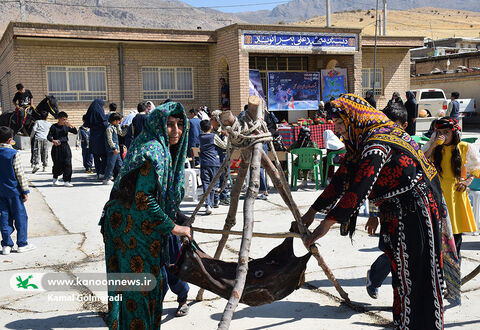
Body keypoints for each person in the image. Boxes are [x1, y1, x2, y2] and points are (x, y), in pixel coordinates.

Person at [301, 94, 445, 329]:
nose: (338, 131)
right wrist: (313, 210)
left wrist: (326, 223)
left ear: (354, 120)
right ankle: (404, 323)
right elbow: (341, 179)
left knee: (418, 275)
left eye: (340, 124)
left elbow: (359, 186)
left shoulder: (378, 142)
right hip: (397, 211)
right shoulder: (362, 141)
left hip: (416, 213)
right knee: (402, 274)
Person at [100, 101, 191, 329]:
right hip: (130, 227)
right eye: (170, 124)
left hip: (136, 223)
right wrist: (174, 228)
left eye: (180, 124)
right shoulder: (153, 152)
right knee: (140, 290)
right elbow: (144, 199)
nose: (176, 130)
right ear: (158, 124)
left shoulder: (157, 147)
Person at [364, 102, 407, 299]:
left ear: (404, 126)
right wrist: (373, 214)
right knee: (392, 252)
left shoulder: (410, 146)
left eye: (394, 125)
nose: (389, 130)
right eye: (386, 124)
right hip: (389, 210)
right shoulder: (379, 148)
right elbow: (374, 183)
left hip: (412, 209)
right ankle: (374, 277)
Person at [423, 117, 480, 262]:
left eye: (446, 132)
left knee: (455, 235)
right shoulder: (433, 147)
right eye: (440, 132)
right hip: (436, 193)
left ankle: (455, 269)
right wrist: (434, 145)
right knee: (437, 235)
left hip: (456, 196)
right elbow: (421, 162)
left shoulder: (465, 147)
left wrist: (468, 180)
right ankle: (438, 271)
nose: (443, 135)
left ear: (454, 132)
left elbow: (477, 167)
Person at [0, 126, 35, 255]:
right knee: (20, 216)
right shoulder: (13, 154)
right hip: (14, 191)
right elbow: (20, 174)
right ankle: (22, 243)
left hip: (1, 191)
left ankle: (6, 245)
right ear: (10, 140)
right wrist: (25, 190)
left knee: (4, 217)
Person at [47, 112, 77, 187]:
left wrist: (71, 126)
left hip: (65, 146)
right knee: (57, 163)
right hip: (57, 147)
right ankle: (55, 179)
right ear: (59, 119)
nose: (65, 121)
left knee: (68, 163)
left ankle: (67, 180)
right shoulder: (54, 127)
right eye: (63, 119)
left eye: (66, 119)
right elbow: (49, 136)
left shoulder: (66, 126)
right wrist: (53, 141)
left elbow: (75, 132)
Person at [199, 119, 221, 214]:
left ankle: (208, 204)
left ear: (201, 129)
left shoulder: (200, 137)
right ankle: (213, 202)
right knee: (213, 183)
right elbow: (223, 145)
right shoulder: (214, 136)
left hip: (204, 162)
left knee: (206, 183)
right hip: (214, 162)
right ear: (211, 127)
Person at [84, 99, 108, 179]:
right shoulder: (99, 111)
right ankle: (102, 172)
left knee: (96, 156)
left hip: (93, 136)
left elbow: (86, 124)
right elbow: (104, 122)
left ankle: (98, 173)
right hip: (100, 137)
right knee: (104, 156)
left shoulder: (90, 113)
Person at [211, 110, 230, 206]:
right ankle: (216, 198)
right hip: (215, 158)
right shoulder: (211, 132)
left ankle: (224, 196)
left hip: (224, 156)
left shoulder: (225, 131)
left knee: (224, 177)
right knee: (216, 179)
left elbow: (226, 145)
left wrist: (225, 135)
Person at [103, 113, 128, 185]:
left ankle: (122, 178)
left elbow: (121, 133)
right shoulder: (109, 128)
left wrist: (125, 128)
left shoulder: (115, 127)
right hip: (113, 150)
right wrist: (114, 148)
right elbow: (109, 140)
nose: (119, 122)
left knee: (120, 164)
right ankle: (106, 179)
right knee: (111, 164)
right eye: (118, 121)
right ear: (114, 121)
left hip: (117, 149)